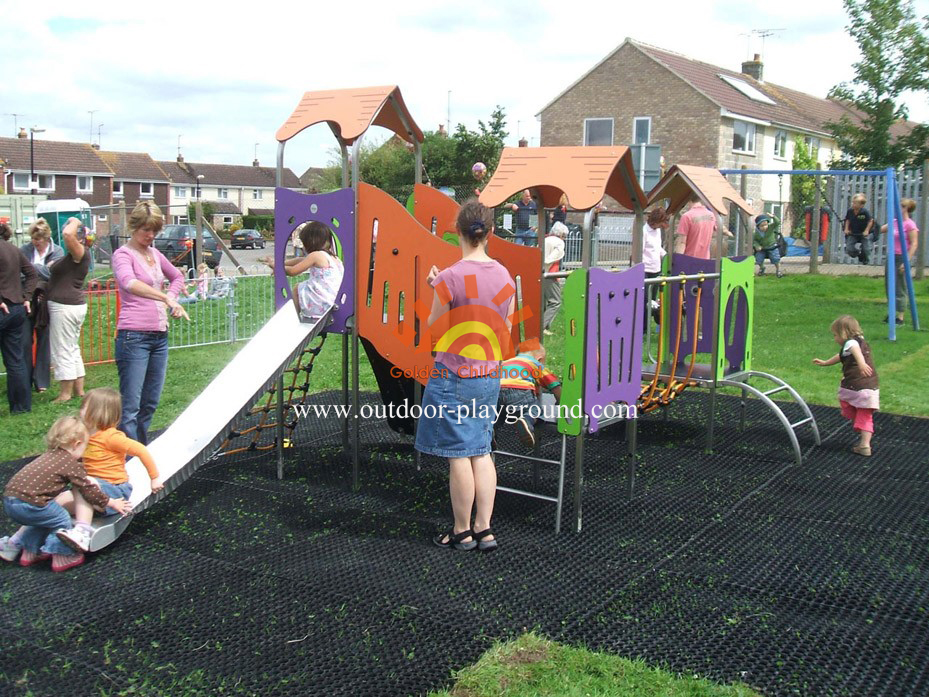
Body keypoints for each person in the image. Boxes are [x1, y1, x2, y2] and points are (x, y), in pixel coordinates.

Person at [415, 199, 516, 552]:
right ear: (489, 233)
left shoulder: (449, 277)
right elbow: (504, 328)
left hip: (453, 375)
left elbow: (435, 327)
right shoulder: (504, 276)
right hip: (488, 374)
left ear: (457, 231)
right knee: (482, 449)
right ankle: (483, 529)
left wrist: (437, 288)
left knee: (459, 453)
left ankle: (461, 532)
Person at [0, 415, 131, 572]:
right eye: (85, 447)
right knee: (62, 520)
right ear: (76, 444)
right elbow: (87, 489)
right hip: (31, 504)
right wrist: (111, 502)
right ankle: (63, 555)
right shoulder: (70, 463)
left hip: (10, 500)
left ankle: (22, 549)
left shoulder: (48, 456)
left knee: (42, 520)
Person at [112, 201, 189, 444]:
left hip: (159, 336)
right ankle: (125, 461)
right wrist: (165, 297)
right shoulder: (123, 255)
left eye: (155, 230)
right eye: (146, 230)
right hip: (133, 337)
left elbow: (177, 276)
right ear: (133, 227)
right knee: (130, 406)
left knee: (150, 403)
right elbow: (129, 283)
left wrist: (174, 298)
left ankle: (141, 453)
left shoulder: (155, 254)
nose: (151, 235)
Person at [56, 388, 164, 553]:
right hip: (92, 491)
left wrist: (154, 478)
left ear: (100, 412)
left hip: (115, 491)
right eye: (83, 405)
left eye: (86, 407)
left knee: (85, 483)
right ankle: (37, 539)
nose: (81, 410)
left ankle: (83, 532)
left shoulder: (111, 437)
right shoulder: (84, 435)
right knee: (58, 501)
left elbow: (141, 450)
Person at [813, 315, 879, 457]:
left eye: (835, 335)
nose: (835, 338)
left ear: (843, 333)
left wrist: (861, 363)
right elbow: (841, 356)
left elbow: (853, 349)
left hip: (855, 386)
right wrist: (826, 363)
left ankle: (856, 421)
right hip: (871, 387)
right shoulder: (860, 340)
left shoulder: (851, 343)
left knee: (846, 402)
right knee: (866, 415)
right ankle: (865, 445)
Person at [46, 218, 93, 403]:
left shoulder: (80, 252)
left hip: (65, 307)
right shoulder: (78, 255)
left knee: (62, 350)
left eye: (77, 235)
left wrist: (75, 221)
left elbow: (67, 234)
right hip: (72, 306)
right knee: (72, 348)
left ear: (82, 238)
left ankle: (65, 394)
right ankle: (79, 390)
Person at [261, 221, 344, 322]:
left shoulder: (316, 255)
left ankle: (293, 320)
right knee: (302, 287)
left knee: (297, 288)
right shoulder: (333, 258)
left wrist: (275, 266)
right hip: (335, 302)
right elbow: (300, 261)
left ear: (310, 242)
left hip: (321, 305)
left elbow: (292, 271)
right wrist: (279, 263)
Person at [20, 219, 64, 393]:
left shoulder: (57, 251)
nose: (35, 242)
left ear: (46, 238)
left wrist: (32, 269)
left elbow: (54, 275)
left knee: (44, 340)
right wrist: (42, 269)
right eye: (33, 238)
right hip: (27, 299)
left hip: (46, 300)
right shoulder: (24, 250)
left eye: (39, 239)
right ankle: (24, 378)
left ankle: (41, 381)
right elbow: (20, 275)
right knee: (24, 340)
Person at [495, 338, 562, 448]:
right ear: (540, 359)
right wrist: (560, 401)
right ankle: (526, 420)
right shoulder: (535, 364)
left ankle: (489, 432)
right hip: (519, 391)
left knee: (497, 416)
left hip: (497, 391)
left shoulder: (505, 363)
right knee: (535, 410)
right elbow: (554, 385)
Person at [0, 234, 38, 414]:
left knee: (15, 361)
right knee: (15, 360)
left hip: (4, 308)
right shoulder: (12, 249)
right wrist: (26, 297)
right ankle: (21, 407)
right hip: (16, 308)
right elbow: (32, 273)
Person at [881, 198, 919, 326]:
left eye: (902, 206)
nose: (899, 208)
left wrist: (906, 261)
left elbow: (914, 244)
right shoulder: (895, 222)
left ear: (907, 209)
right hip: (891, 256)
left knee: (899, 286)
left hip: (902, 257)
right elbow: (880, 229)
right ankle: (891, 313)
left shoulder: (910, 225)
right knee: (889, 285)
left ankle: (900, 316)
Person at [643, 207, 669, 324]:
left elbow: (658, 248)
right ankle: (642, 326)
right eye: (661, 223)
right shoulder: (644, 231)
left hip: (656, 269)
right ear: (655, 221)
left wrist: (667, 256)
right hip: (645, 270)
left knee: (652, 300)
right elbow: (640, 251)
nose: (661, 226)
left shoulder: (657, 231)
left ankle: (648, 325)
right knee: (644, 300)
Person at [542, 221, 567, 335]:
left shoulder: (545, 239)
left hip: (539, 272)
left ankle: (543, 327)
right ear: (561, 234)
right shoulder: (559, 243)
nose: (565, 238)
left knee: (542, 302)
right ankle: (542, 327)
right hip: (550, 274)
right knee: (555, 301)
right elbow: (552, 257)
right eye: (564, 236)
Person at [844, 193, 874, 265]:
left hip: (863, 233)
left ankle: (865, 257)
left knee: (867, 249)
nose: (853, 204)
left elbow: (870, 221)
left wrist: (866, 230)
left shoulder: (864, 212)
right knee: (849, 249)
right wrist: (846, 229)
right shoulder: (850, 211)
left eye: (855, 203)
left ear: (861, 205)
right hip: (853, 233)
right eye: (853, 202)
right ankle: (858, 254)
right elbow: (847, 220)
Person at [752, 213, 784, 278]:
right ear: (758, 226)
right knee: (759, 258)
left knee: (775, 258)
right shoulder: (756, 233)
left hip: (772, 246)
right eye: (762, 226)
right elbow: (755, 241)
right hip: (762, 248)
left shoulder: (770, 228)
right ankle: (762, 268)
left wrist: (773, 217)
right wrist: (757, 246)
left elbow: (777, 222)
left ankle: (778, 270)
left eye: (766, 225)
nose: (764, 227)